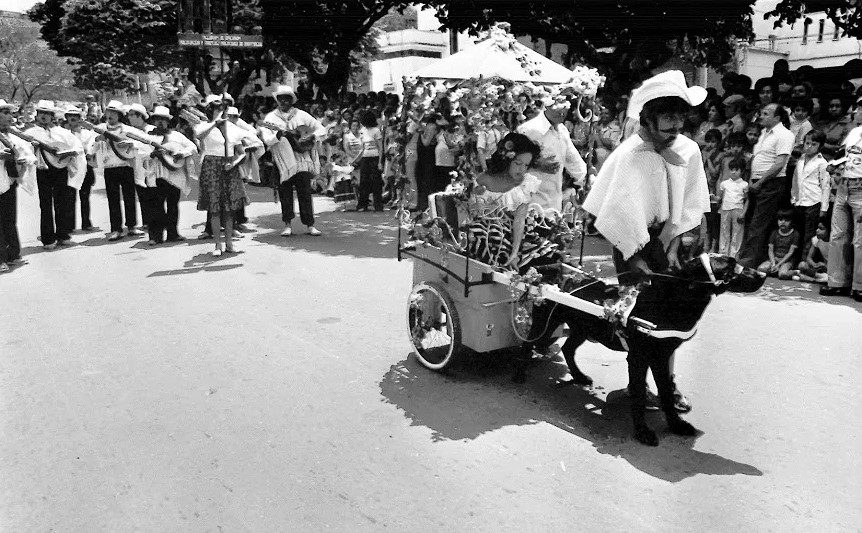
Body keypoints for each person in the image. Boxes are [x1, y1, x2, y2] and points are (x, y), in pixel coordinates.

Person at [583, 70, 710, 414]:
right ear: (648, 119)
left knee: (670, 315)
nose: (675, 128)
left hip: (673, 241)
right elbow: (613, 210)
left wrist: (675, 241)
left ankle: (667, 385)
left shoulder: (689, 150)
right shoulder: (629, 154)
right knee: (639, 317)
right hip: (634, 245)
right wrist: (635, 255)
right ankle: (637, 384)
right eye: (667, 119)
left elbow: (692, 200)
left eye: (681, 119)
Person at [260, 85, 324, 237]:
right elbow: (267, 139)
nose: (283, 101)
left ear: (291, 100)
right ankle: (287, 224)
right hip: (282, 162)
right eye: (280, 98)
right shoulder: (270, 119)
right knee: (285, 193)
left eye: (286, 98)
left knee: (305, 192)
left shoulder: (302, 115)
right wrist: (278, 135)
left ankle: (310, 225)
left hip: (301, 160)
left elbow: (321, 129)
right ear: (277, 100)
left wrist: (311, 137)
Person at [472, 133, 543, 266]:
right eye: (517, 163)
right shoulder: (482, 179)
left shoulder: (525, 184)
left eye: (526, 165)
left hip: (513, 234)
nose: (522, 169)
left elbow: (519, 219)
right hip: (483, 232)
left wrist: (515, 252)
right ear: (506, 159)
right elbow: (473, 213)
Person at [737, 103, 795, 268]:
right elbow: (756, 158)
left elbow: (779, 164)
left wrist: (761, 181)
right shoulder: (763, 133)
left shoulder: (785, 134)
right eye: (761, 113)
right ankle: (748, 256)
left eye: (766, 113)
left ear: (777, 117)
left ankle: (747, 262)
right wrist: (751, 180)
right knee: (749, 220)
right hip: (756, 180)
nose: (761, 116)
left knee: (758, 223)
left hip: (771, 183)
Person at [25, 100, 86, 249]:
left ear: (53, 116)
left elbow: (77, 148)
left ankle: (63, 235)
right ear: (37, 115)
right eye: (41, 113)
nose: (44, 116)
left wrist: (69, 153)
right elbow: (24, 152)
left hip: (60, 170)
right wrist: (31, 149)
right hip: (42, 171)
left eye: (47, 113)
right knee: (45, 204)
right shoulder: (30, 133)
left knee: (62, 203)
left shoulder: (63, 133)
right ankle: (48, 238)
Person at [193, 94, 249, 256]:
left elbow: (241, 153)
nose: (220, 112)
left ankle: (229, 243)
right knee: (215, 208)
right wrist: (213, 124)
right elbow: (199, 136)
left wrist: (234, 163)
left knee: (229, 209)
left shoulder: (232, 129)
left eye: (222, 109)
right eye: (216, 109)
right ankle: (218, 244)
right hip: (211, 166)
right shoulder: (203, 126)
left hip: (228, 166)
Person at [517, 95, 587, 211]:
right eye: (557, 108)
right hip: (532, 201)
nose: (562, 112)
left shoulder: (562, 130)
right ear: (546, 106)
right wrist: (536, 164)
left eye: (565, 107)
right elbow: (514, 161)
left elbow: (573, 161)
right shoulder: (529, 130)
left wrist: (586, 179)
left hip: (554, 201)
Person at [142, 105, 198, 244]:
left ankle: (173, 234)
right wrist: (151, 154)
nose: (160, 122)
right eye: (157, 119)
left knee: (173, 205)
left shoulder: (177, 136)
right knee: (156, 206)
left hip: (174, 175)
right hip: (156, 175)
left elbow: (193, 147)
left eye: (163, 119)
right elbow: (139, 154)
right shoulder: (147, 137)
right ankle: (156, 236)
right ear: (153, 121)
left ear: (168, 121)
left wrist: (182, 154)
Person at [821, 123, 862, 301]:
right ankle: (837, 282)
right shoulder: (854, 131)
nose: (857, 111)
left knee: (860, 240)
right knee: (838, 235)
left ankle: (859, 286)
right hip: (844, 186)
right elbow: (841, 154)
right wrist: (834, 164)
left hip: (861, 188)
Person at [93, 100, 145, 241]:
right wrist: (98, 139)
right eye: (108, 112)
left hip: (126, 166)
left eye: (113, 113)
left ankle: (132, 226)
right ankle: (116, 228)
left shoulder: (127, 129)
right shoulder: (100, 128)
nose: (110, 115)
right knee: (113, 199)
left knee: (129, 197)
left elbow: (141, 141)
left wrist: (130, 143)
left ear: (119, 115)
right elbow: (91, 146)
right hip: (109, 167)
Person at [0, 99, 36, 272]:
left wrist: (24, 160)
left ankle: (13, 254)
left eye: (10, 113)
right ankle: (1, 260)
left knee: (9, 220)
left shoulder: (11, 135)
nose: (9, 117)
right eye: (5, 113)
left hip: (9, 182)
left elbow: (26, 152)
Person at [791, 130, 830, 257]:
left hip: (814, 201)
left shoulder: (822, 163)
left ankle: (804, 261)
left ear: (820, 146)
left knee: (809, 234)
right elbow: (795, 180)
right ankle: (793, 261)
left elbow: (825, 186)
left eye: (813, 144)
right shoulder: (800, 160)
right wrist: (793, 197)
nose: (809, 146)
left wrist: (824, 208)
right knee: (797, 232)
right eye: (807, 143)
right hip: (799, 200)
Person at [63, 107, 99, 232]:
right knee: (69, 197)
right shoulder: (63, 133)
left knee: (85, 196)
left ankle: (86, 223)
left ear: (80, 118)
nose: (73, 118)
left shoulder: (87, 134)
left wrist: (86, 151)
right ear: (66, 118)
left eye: (76, 116)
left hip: (85, 166)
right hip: (69, 167)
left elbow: (91, 147)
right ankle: (69, 225)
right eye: (70, 116)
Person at [716, 157, 749, 257]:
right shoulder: (724, 183)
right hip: (725, 209)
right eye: (731, 170)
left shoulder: (744, 184)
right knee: (724, 231)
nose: (733, 172)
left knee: (737, 232)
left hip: (738, 209)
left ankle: (734, 255)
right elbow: (720, 198)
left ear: (741, 171)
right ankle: (723, 253)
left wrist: (743, 213)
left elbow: (747, 200)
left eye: (736, 170)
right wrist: (714, 198)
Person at [355, 110, 384, 211]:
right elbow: (362, 148)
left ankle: (378, 205)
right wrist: (356, 159)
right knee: (364, 182)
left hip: (375, 157)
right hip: (365, 158)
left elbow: (380, 148)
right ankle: (363, 204)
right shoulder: (363, 130)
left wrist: (380, 162)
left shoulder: (376, 131)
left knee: (376, 182)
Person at [757, 209, 799, 279]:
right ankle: (775, 270)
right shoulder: (774, 233)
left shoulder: (795, 234)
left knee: (782, 274)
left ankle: (795, 272)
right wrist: (773, 264)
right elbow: (770, 250)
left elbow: (790, 253)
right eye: (780, 220)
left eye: (786, 220)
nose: (783, 222)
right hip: (775, 258)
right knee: (761, 269)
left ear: (791, 221)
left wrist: (779, 265)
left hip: (787, 260)